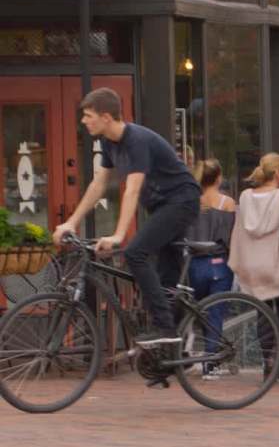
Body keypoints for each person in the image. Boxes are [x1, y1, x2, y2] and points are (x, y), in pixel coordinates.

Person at [54, 88, 200, 346]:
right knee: (165, 277)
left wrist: (119, 234)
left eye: (88, 115)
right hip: (160, 206)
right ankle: (170, 352)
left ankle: (166, 329)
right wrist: (71, 222)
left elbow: (132, 189)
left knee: (135, 253)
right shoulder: (110, 143)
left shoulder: (137, 140)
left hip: (181, 201)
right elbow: (98, 185)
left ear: (106, 116)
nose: (83, 121)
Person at [229, 153, 279, 376]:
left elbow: (238, 231)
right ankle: (276, 354)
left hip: (252, 265)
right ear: (277, 173)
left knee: (262, 311)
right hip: (276, 263)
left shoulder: (246, 197)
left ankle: (266, 355)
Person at [186, 159, 238, 377]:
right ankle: (210, 362)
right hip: (219, 264)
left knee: (197, 311)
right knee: (216, 312)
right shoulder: (227, 203)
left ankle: (189, 351)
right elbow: (231, 236)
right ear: (218, 178)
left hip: (194, 264)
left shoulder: (191, 203)